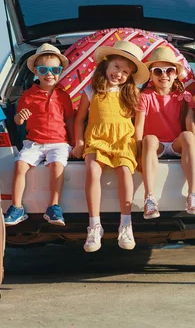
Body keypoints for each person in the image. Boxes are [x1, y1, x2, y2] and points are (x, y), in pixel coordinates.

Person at [70, 40, 149, 253]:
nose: (119, 74)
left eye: (125, 72)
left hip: (123, 140)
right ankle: (95, 225)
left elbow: (139, 124)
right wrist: (78, 142)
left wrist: (140, 151)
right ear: (105, 64)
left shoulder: (132, 94)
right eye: (116, 67)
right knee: (92, 170)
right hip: (97, 139)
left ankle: (126, 223)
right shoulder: (90, 90)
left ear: (130, 76)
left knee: (125, 171)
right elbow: (79, 120)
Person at [3, 44, 74, 227]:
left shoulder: (64, 96)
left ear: (60, 71)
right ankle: (17, 207)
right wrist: (20, 117)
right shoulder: (28, 96)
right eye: (44, 70)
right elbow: (18, 120)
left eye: (55, 70)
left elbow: (70, 120)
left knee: (56, 166)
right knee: (19, 164)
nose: (49, 74)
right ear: (35, 71)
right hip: (34, 142)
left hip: (59, 143)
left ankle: (53, 206)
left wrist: (74, 143)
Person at [134, 46, 195, 219]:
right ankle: (149, 197)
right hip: (154, 147)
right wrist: (138, 153)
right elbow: (139, 127)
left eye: (169, 70)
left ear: (176, 74)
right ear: (151, 75)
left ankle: (193, 193)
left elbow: (190, 124)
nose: (164, 75)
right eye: (158, 71)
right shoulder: (145, 96)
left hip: (176, 144)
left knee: (188, 136)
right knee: (150, 138)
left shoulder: (183, 96)